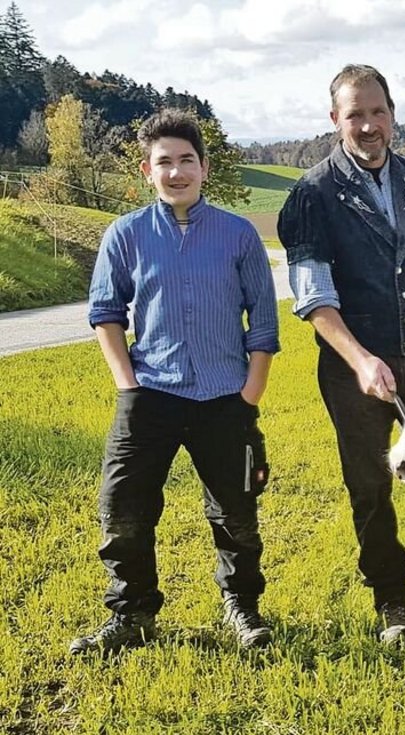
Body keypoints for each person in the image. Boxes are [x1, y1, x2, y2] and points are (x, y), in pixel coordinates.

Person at [277, 64, 405, 643]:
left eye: (377, 112)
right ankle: (393, 604)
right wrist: (361, 359)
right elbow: (316, 299)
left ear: (392, 113)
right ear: (335, 120)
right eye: (355, 115)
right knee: (370, 488)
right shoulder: (312, 194)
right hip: (353, 369)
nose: (368, 126)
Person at [71, 109, 279, 655]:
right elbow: (105, 313)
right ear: (147, 170)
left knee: (236, 513)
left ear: (204, 167)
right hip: (150, 396)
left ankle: (243, 606)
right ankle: (133, 612)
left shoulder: (237, 236)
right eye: (165, 161)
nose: (176, 171)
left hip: (224, 398)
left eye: (187, 160)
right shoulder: (126, 234)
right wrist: (128, 386)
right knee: (123, 507)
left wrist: (248, 396)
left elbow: (263, 320)